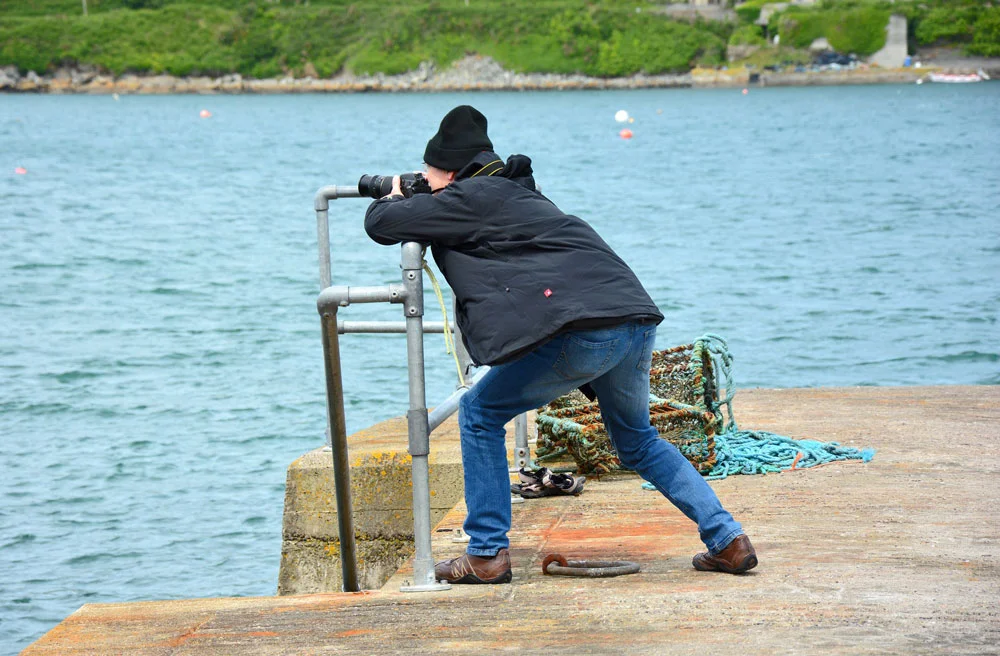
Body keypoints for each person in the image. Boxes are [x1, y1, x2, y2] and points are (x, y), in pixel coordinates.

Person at [364, 105, 757, 584]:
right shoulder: (517, 192)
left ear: (447, 169)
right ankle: (728, 539)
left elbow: (383, 224)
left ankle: (486, 553)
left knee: (480, 413)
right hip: (632, 318)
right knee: (636, 439)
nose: (424, 177)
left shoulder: (471, 197)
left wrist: (397, 192)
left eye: (428, 170)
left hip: (586, 330)